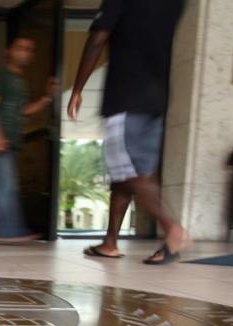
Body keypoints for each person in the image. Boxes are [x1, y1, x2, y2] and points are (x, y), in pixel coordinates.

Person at [68, 0, 188, 265]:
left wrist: (77, 88)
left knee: (127, 172)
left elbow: (98, 38)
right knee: (133, 173)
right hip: (156, 98)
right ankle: (109, 242)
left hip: (126, 94)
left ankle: (172, 229)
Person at [0, 37, 56, 245]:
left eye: (29, 49)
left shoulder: (21, 83)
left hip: (8, 144)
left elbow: (23, 111)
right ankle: (9, 230)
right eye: (21, 48)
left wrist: (47, 98)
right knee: (7, 185)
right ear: (9, 51)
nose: (25, 52)